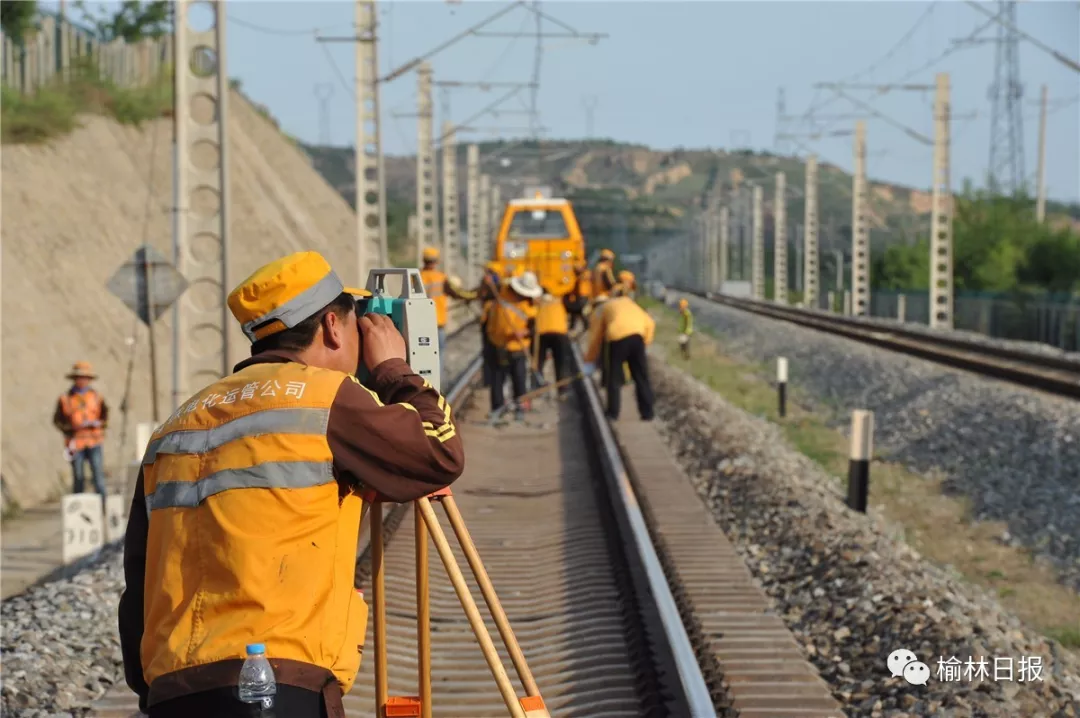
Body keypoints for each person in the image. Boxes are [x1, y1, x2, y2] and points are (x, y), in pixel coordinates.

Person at [118, 251, 465, 718]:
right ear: (332, 326)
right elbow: (439, 453)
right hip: (275, 686)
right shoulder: (327, 398)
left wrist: (153, 691)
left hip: (175, 689)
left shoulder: (177, 423)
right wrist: (393, 371)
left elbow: (139, 577)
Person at [583, 295, 656, 422]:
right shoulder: (631, 304)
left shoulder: (604, 308)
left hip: (617, 339)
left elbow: (596, 337)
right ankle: (647, 413)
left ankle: (613, 413)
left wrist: (590, 361)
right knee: (641, 377)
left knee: (614, 378)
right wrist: (645, 342)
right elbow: (650, 323)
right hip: (637, 338)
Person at [486, 270, 541, 420]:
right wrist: (490, 280)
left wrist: (526, 332)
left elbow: (534, 326)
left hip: (518, 348)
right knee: (498, 379)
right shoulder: (501, 294)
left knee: (519, 378)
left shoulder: (528, 304)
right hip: (499, 345)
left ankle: (520, 408)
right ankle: (497, 409)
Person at [54, 361, 109, 497]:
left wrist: (98, 424)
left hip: (94, 441)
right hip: (76, 442)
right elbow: (58, 421)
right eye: (80, 377)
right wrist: (71, 428)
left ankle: (102, 508)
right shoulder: (65, 399)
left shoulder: (97, 397)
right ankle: (78, 510)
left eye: (85, 378)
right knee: (78, 477)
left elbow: (105, 417)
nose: (82, 380)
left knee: (98, 476)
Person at [420, 246, 470, 374]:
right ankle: (437, 381)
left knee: (421, 353)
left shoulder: (416, 277)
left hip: (421, 324)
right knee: (438, 352)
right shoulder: (441, 278)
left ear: (424, 260)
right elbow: (457, 293)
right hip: (438, 322)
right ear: (436, 261)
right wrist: (472, 296)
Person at [533, 290, 572, 396]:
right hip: (559, 331)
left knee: (539, 361)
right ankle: (563, 389)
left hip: (541, 331)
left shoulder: (537, 301)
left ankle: (537, 386)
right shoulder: (560, 299)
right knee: (561, 362)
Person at [563, 260, 592, 333]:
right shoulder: (578, 278)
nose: (574, 272)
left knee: (576, 310)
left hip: (583, 297)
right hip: (580, 297)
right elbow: (574, 289)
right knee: (576, 311)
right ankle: (581, 326)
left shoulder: (585, 275)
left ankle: (582, 326)